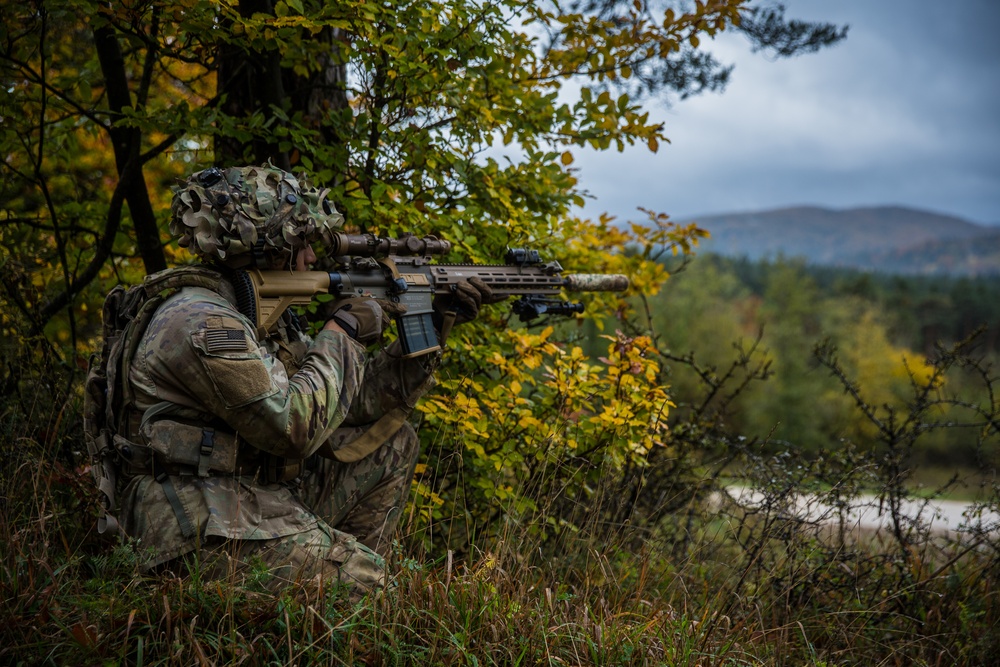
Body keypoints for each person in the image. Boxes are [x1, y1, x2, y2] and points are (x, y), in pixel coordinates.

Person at [112, 165, 497, 594]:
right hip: (189, 518)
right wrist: (343, 332)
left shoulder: (249, 311)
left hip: (249, 489)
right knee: (369, 584)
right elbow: (291, 427)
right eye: (303, 244)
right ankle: (348, 588)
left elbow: (346, 403)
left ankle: (334, 584)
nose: (312, 258)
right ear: (269, 248)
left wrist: (428, 334)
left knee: (393, 443)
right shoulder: (202, 321)